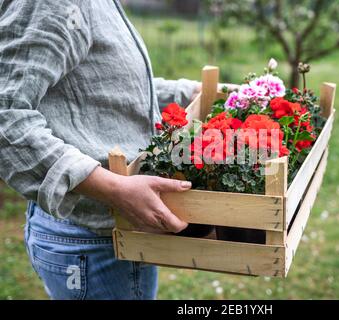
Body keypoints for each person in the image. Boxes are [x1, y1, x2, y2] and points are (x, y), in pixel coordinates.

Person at [0, 0, 201, 299]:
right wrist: (114, 189)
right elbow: (7, 116)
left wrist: (192, 92)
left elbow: (102, 86)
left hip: (111, 230)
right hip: (93, 239)